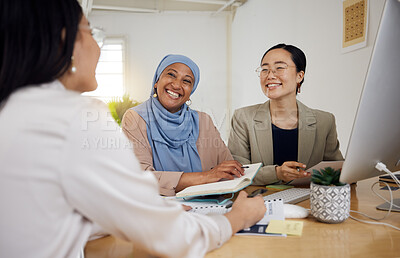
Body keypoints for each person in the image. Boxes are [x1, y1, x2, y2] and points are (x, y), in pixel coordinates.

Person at [0, 1, 266, 257]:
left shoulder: (13, 111)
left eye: (187, 81)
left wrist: (145, 208)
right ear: (64, 40)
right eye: (92, 32)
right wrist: (237, 218)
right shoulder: (77, 117)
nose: (97, 45)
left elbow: (55, 212)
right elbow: (172, 238)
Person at [122, 54, 245, 196]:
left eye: (186, 81)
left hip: (207, 206)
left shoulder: (203, 120)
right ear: (156, 81)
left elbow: (228, 167)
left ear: (190, 92)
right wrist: (206, 176)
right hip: (160, 209)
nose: (176, 85)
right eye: (171, 75)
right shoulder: (136, 118)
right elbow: (140, 178)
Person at [228, 43, 343, 185]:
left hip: (307, 201)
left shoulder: (325, 121)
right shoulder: (243, 118)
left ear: (299, 76)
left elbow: (337, 170)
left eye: (279, 68)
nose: (270, 75)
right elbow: (239, 172)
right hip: (261, 200)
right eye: (265, 69)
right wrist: (277, 173)